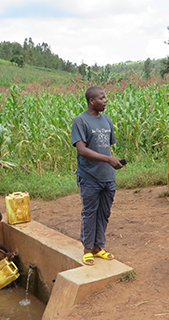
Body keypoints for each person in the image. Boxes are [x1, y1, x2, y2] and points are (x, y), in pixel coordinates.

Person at [71, 86, 124, 266]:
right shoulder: (80, 121)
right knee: (90, 213)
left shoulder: (106, 120)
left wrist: (113, 162)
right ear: (92, 101)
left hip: (108, 177)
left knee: (104, 213)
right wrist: (109, 159)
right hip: (89, 177)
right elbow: (82, 149)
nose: (105, 101)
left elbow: (106, 146)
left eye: (105, 98)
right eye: (102, 98)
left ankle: (98, 247)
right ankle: (87, 249)